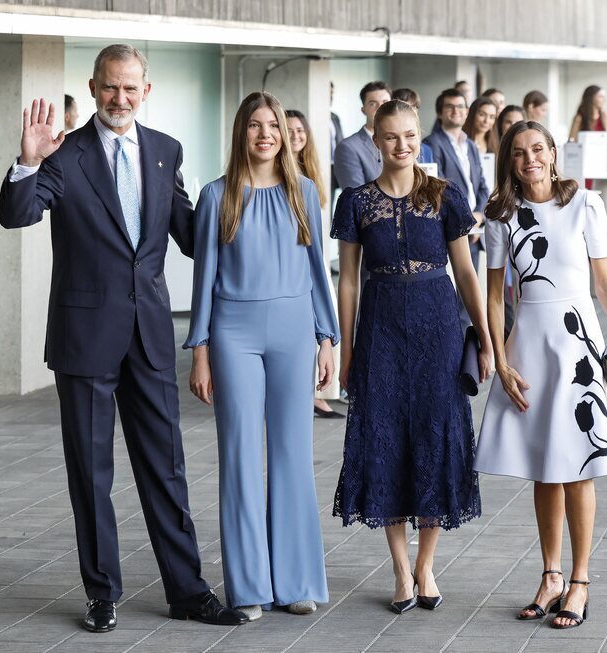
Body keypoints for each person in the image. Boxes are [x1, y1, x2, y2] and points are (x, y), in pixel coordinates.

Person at [0, 43, 247, 633]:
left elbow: (191, 233)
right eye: (110, 88)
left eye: (131, 88)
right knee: (92, 472)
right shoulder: (64, 155)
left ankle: (187, 591)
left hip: (151, 335)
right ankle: (102, 592)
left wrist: (248, 209)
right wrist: (28, 161)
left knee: (166, 467)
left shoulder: (164, 151)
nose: (120, 98)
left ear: (146, 91)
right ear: (93, 87)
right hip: (84, 336)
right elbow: (17, 214)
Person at [475, 120, 607, 630]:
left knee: (578, 466)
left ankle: (580, 581)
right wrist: (499, 357)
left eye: (539, 149)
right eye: (520, 153)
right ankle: (550, 575)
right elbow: (495, 292)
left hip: (579, 344)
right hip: (530, 346)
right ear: (510, 161)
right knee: (546, 467)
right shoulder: (502, 216)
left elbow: (604, 282)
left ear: (552, 153)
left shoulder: (586, 204)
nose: (531, 160)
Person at [332, 98, 489, 614]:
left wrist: (486, 338)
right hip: (380, 330)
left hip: (438, 329)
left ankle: (426, 564)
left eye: (410, 135)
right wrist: (346, 347)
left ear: (420, 138)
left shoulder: (445, 196)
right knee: (385, 441)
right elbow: (349, 281)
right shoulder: (356, 202)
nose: (403, 145)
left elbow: (466, 273)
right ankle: (400, 569)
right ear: (375, 140)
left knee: (434, 439)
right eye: (391, 136)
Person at [186, 92, 338, 621]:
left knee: (293, 455)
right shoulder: (216, 196)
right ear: (241, 133)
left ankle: (296, 580)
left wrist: (327, 338)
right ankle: (248, 586)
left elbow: (320, 270)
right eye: (255, 125)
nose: (265, 134)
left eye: (273, 125)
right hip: (234, 332)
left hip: (296, 330)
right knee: (241, 457)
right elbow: (202, 278)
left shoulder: (305, 193)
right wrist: (200, 350)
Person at [286, 108, 344, 418]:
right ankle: (308, 395)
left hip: (316, 259)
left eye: (301, 130)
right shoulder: (280, 177)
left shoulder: (311, 174)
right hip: (296, 266)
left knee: (323, 328)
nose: (296, 135)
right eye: (290, 129)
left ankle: (316, 391)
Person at [423, 88, 491, 327]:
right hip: (452, 231)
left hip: (474, 227)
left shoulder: (470, 145)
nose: (457, 111)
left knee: (469, 297)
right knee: (452, 296)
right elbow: (437, 188)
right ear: (440, 113)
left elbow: (482, 186)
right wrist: (465, 221)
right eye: (450, 107)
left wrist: (479, 215)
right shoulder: (430, 144)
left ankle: (468, 356)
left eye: (461, 107)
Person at [333, 81, 391, 190]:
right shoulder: (348, 147)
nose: (380, 107)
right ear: (363, 110)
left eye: (385, 102)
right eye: (373, 103)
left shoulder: (401, 142)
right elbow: (356, 197)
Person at [392, 88, 435, 163]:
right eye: (403, 108)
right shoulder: (387, 147)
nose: (409, 113)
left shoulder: (426, 150)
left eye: (413, 108)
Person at [329, 81, 344, 193]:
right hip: (319, 167)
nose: (330, 96)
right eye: (327, 93)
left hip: (334, 167)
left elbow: (340, 142)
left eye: (331, 93)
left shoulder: (334, 117)